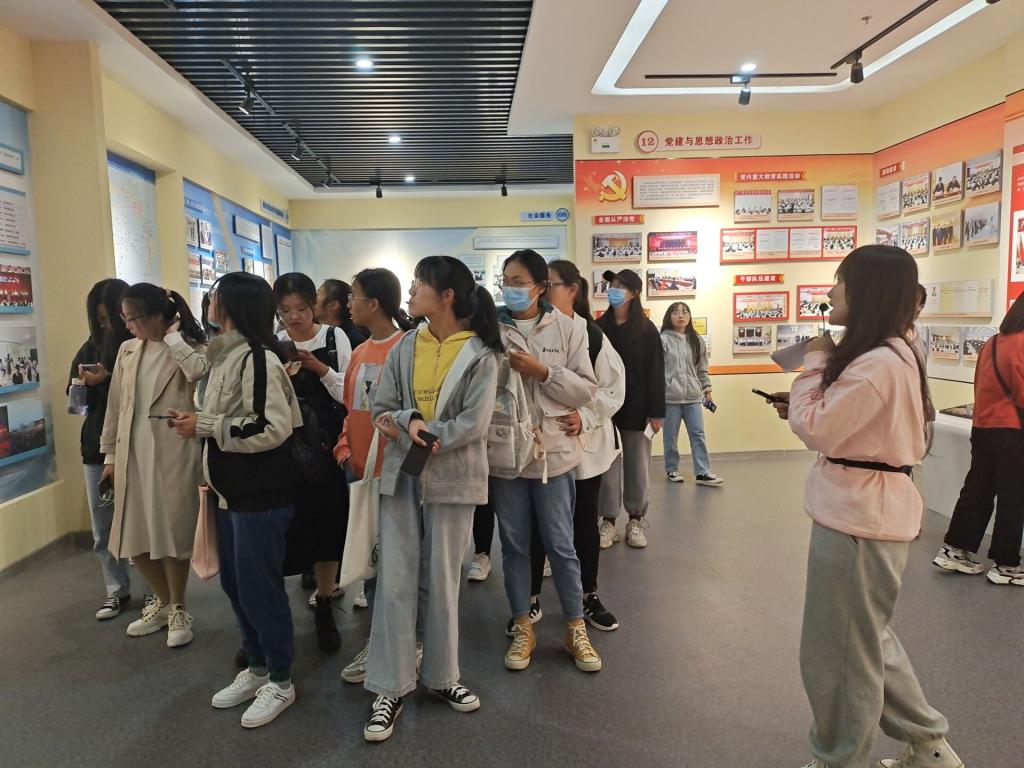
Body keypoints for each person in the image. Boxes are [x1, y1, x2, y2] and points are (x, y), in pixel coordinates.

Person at [768, 245, 963, 768]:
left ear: (866, 291)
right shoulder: (893, 352)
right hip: (864, 511)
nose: (831, 291)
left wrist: (814, 362)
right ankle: (930, 745)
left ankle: (841, 758)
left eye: (840, 281)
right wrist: (817, 393)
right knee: (866, 639)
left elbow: (817, 427)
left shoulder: (878, 362)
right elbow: (845, 422)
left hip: (859, 518)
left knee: (839, 654)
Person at [363, 256, 499, 742]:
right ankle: (390, 685)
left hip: (454, 479)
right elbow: (382, 408)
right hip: (403, 475)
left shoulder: (482, 353)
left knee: (444, 580)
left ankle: (442, 676)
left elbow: (474, 423)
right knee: (396, 579)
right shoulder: (405, 346)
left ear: (447, 295)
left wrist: (430, 434)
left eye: (419, 283)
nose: (411, 291)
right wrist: (409, 423)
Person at [169, 271, 302, 728]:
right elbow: (231, 417)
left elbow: (271, 427)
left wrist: (205, 426)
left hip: (260, 494)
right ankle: (258, 666)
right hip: (229, 492)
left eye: (215, 296)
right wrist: (199, 421)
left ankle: (281, 679)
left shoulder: (258, 358)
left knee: (260, 588)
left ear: (231, 305)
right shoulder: (223, 356)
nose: (208, 302)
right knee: (236, 584)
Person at [489, 249, 602, 674]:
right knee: (514, 545)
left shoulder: (570, 328)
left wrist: (542, 372)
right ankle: (523, 625)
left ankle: (575, 627)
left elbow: (586, 390)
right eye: (506, 280)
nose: (511, 288)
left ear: (540, 287)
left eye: (518, 281)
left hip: (553, 453)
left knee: (561, 544)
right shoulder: (490, 329)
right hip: (506, 454)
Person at [99, 283, 207, 647]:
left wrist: (174, 337)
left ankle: (178, 607)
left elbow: (198, 375)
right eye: (125, 319)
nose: (129, 326)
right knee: (133, 533)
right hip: (132, 449)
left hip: (173, 449)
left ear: (159, 316)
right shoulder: (128, 350)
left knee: (171, 531)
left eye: (134, 319)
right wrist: (110, 456)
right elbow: (116, 405)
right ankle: (163, 603)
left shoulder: (190, 347)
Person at [525, 259, 623, 632]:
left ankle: (588, 595)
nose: (542, 292)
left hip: (583, 446)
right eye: (539, 284)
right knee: (536, 524)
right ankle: (530, 597)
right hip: (541, 448)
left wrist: (586, 416)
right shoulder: (530, 333)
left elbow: (613, 389)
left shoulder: (591, 335)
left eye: (549, 284)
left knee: (583, 524)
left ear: (572, 289)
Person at [332, 267, 415, 685]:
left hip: (398, 478)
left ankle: (403, 645)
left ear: (375, 303)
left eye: (354, 296)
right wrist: (345, 450)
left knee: (400, 568)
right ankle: (383, 641)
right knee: (374, 563)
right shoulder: (360, 352)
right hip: (361, 475)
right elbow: (351, 411)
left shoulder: (407, 349)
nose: (349, 303)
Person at [273, 272, 351, 653]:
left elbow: (350, 392)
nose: (294, 317)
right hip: (286, 449)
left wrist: (319, 370)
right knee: (290, 527)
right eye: (285, 310)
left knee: (327, 525)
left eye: (302, 308)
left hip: (326, 447)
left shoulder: (334, 338)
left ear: (314, 306)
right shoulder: (274, 344)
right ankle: (276, 618)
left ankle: (325, 603)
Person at [933, 296, 1024, 586]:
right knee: (1013, 497)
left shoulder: (992, 342)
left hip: (984, 425)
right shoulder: (1022, 343)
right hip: (1013, 430)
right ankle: (1006, 564)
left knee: (978, 489)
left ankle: (955, 549)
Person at [69, 278, 132, 619]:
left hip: (136, 446)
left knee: (144, 524)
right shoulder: (89, 348)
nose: (106, 327)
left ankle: (161, 595)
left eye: (111, 319)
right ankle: (116, 589)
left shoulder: (138, 348)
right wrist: (83, 384)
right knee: (103, 528)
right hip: (95, 445)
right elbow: (76, 406)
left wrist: (107, 379)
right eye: (100, 320)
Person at [596, 269, 665, 549]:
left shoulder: (647, 330)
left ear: (634, 293)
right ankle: (608, 520)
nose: (614, 289)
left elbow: (656, 372)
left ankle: (635, 519)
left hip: (638, 409)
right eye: (612, 284)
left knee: (638, 466)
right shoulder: (599, 327)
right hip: (606, 411)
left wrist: (656, 412)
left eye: (621, 286)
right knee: (607, 467)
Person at [660, 301, 723, 486]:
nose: (681, 316)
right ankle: (672, 469)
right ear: (669, 317)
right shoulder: (663, 340)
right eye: (676, 312)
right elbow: (656, 370)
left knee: (698, 435)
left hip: (693, 398)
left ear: (689, 316)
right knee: (670, 437)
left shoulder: (697, 340)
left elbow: (702, 369)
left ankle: (703, 472)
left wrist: (707, 390)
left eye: (685, 312)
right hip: (670, 398)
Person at [317, 278, 370, 350]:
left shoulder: (354, 341)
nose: (312, 299)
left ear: (333, 305)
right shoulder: (324, 333)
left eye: (318, 294)